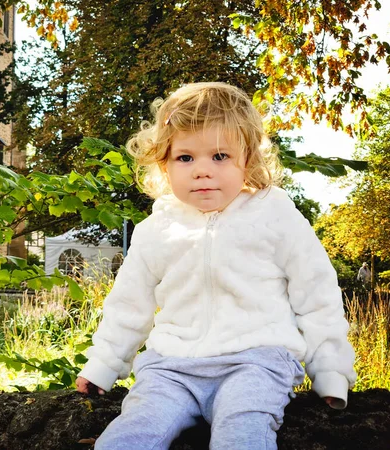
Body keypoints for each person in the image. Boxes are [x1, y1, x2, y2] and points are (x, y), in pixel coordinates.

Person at [75, 82, 357, 449]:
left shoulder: (275, 214)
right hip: (170, 369)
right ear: (164, 162)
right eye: (186, 158)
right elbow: (130, 304)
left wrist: (331, 372)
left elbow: (316, 295)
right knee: (130, 436)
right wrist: (104, 365)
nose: (202, 171)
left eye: (220, 156)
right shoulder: (157, 228)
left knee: (242, 436)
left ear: (248, 159)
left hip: (256, 363)